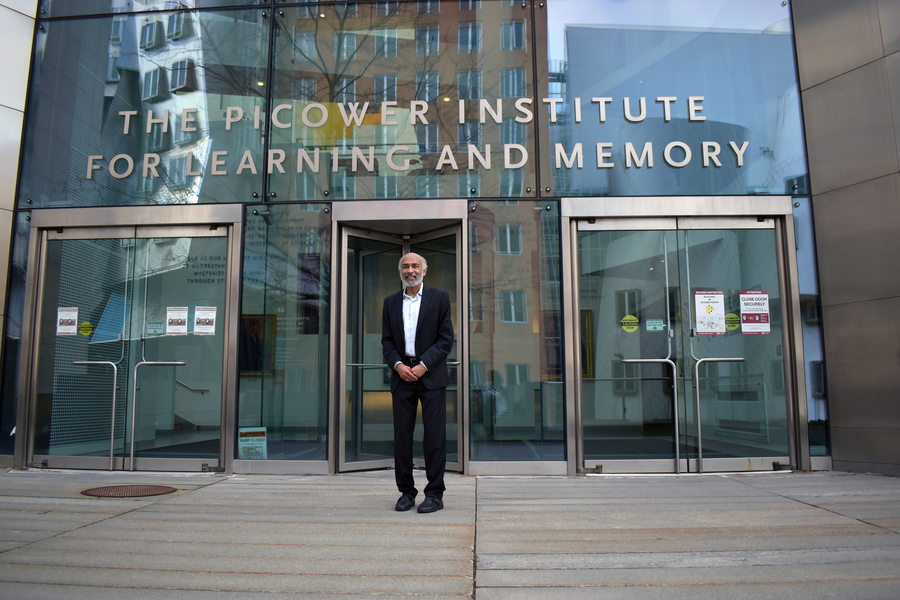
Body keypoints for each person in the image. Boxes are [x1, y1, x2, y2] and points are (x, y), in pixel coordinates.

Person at [382, 252, 454, 513]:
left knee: (434, 437)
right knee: (402, 437)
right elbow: (387, 341)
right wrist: (398, 365)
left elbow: (446, 339)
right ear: (400, 272)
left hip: (430, 376)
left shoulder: (440, 298)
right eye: (405, 266)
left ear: (424, 271)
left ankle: (434, 494)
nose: (409, 270)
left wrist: (423, 365)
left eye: (415, 266)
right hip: (402, 376)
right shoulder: (390, 302)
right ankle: (406, 492)